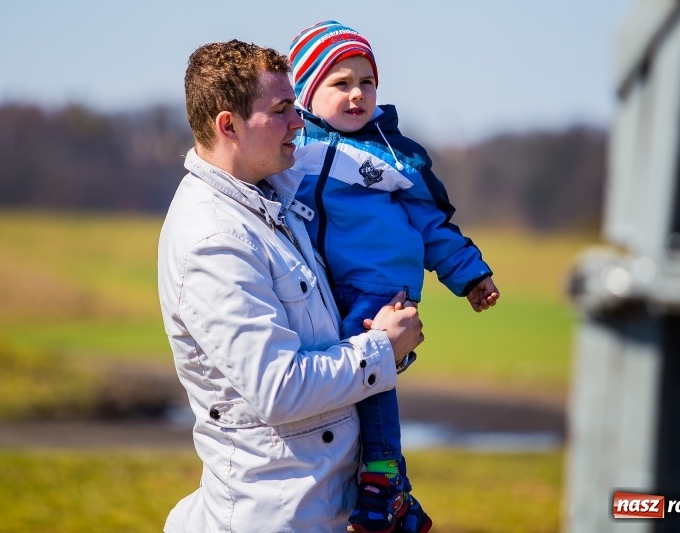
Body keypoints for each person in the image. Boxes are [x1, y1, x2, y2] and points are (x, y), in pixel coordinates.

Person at [157, 39, 424, 533]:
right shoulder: (214, 240)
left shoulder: (273, 201)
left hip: (316, 509)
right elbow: (279, 388)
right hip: (274, 518)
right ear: (228, 125)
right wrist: (382, 350)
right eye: (281, 111)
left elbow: (322, 340)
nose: (299, 122)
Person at [289, 21, 500, 533]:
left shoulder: (392, 153)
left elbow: (433, 223)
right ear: (306, 92)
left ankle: (382, 480)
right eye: (340, 83)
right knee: (334, 387)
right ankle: (398, 499)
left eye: (367, 81)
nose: (358, 93)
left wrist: (470, 275)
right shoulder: (292, 148)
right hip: (322, 288)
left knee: (374, 361)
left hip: (380, 289)